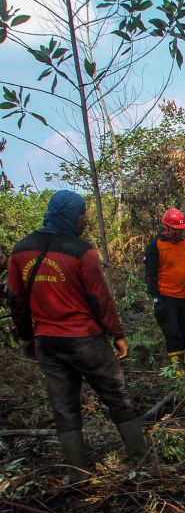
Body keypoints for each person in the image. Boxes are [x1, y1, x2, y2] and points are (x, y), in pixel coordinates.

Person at [6, 190, 147, 483]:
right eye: (82, 213)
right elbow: (100, 299)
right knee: (118, 397)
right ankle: (143, 461)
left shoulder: (20, 251)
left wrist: (27, 338)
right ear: (69, 215)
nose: (85, 219)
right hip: (86, 340)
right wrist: (117, 334)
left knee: (63, 405)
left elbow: (16, 302)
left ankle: (77, 473)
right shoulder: (82, 251)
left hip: (47, 342)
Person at [144, 208, 185, 376]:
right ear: (167, 228)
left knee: (184, 332)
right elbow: (151, 274)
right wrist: (156, 298)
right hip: (166, 297)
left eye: (182, 230)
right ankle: (176, 371)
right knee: (173, 333)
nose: (179, 234)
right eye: (176, 231)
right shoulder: (155, 245)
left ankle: (184, 367)